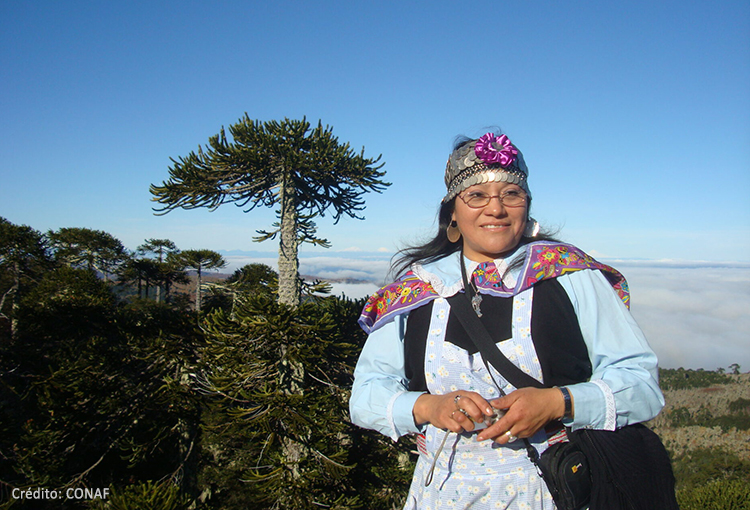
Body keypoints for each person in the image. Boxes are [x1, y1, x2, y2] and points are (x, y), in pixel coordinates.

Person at [349, 131, 665, 509]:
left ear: (526, 207)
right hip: (442, 493)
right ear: (452, 211)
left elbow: (641, 384)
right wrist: (428, 408)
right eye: (477, 195)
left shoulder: (570, 276)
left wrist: (558, 403)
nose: (495, 209)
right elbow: (366, 396)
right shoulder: (417, 290)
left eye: (511, 194)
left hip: (556, 489)